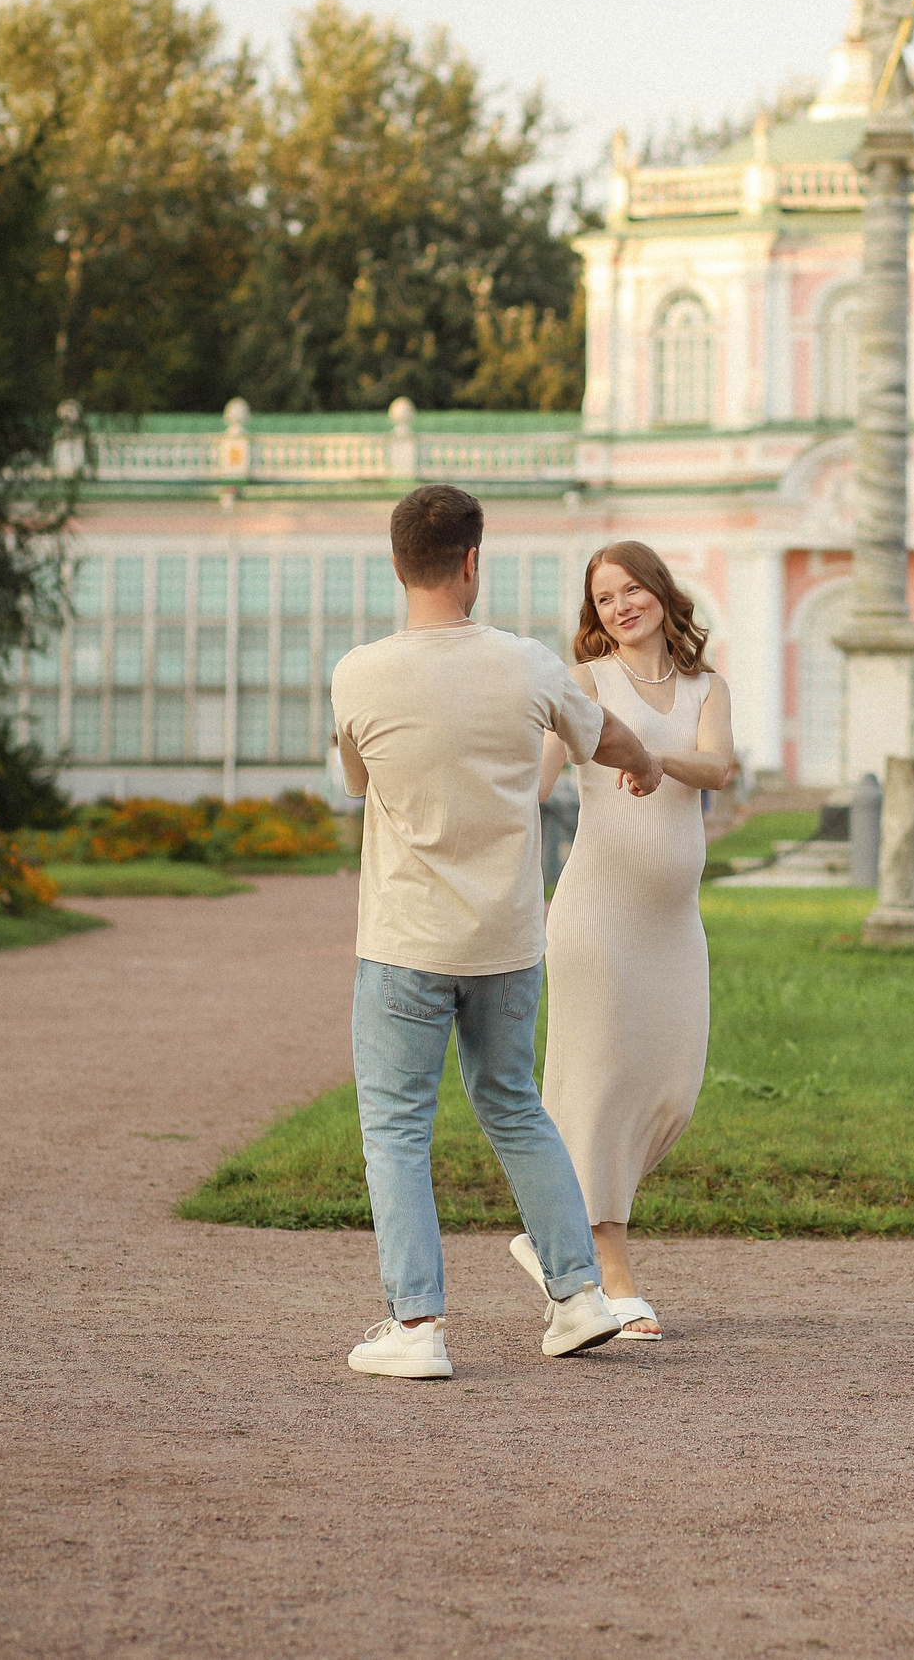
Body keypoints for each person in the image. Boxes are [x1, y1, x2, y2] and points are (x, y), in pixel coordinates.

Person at [330, 485, 668, 1378]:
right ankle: (579, 1296)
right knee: (514, 1105)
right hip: (507, 942)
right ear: (473, 562)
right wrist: (642, 764)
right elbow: (606, 737)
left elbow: (358, 780)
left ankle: (416, 1325)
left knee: (396, 1127)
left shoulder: (358, 672)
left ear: (399, 565)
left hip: (403, 942)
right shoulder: (527, 666)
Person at [523, 542, 738, 1343]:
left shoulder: (706, 687)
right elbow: (538, 779)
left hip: (672, 924)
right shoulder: (585, 684)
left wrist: (653, 757)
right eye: (604, 597)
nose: (620, 606)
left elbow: (717, 767)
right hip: (597, 917)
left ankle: (556, 1231)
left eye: (631, 589)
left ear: (659, 590)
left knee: (672, 1087)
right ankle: (611, 1274)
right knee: (603, 1087)